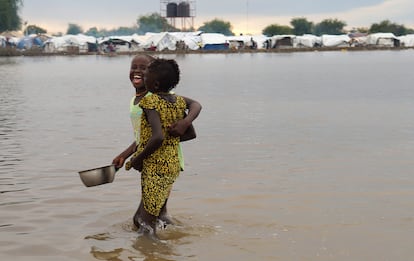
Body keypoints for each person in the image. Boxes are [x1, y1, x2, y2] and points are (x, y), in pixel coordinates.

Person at [112, 54, 201, 232]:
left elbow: (158, 136)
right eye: (134, 67)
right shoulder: (145, 101)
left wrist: (137, 159)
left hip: (158, 163)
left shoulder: (155, 100)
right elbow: (147, 136)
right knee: (156, 213)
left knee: (144, 220)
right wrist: (125, 155)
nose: (138, 72)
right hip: (165, 162)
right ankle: (175, 240)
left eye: (144, 70)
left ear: (155, 80)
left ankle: (153, 251)